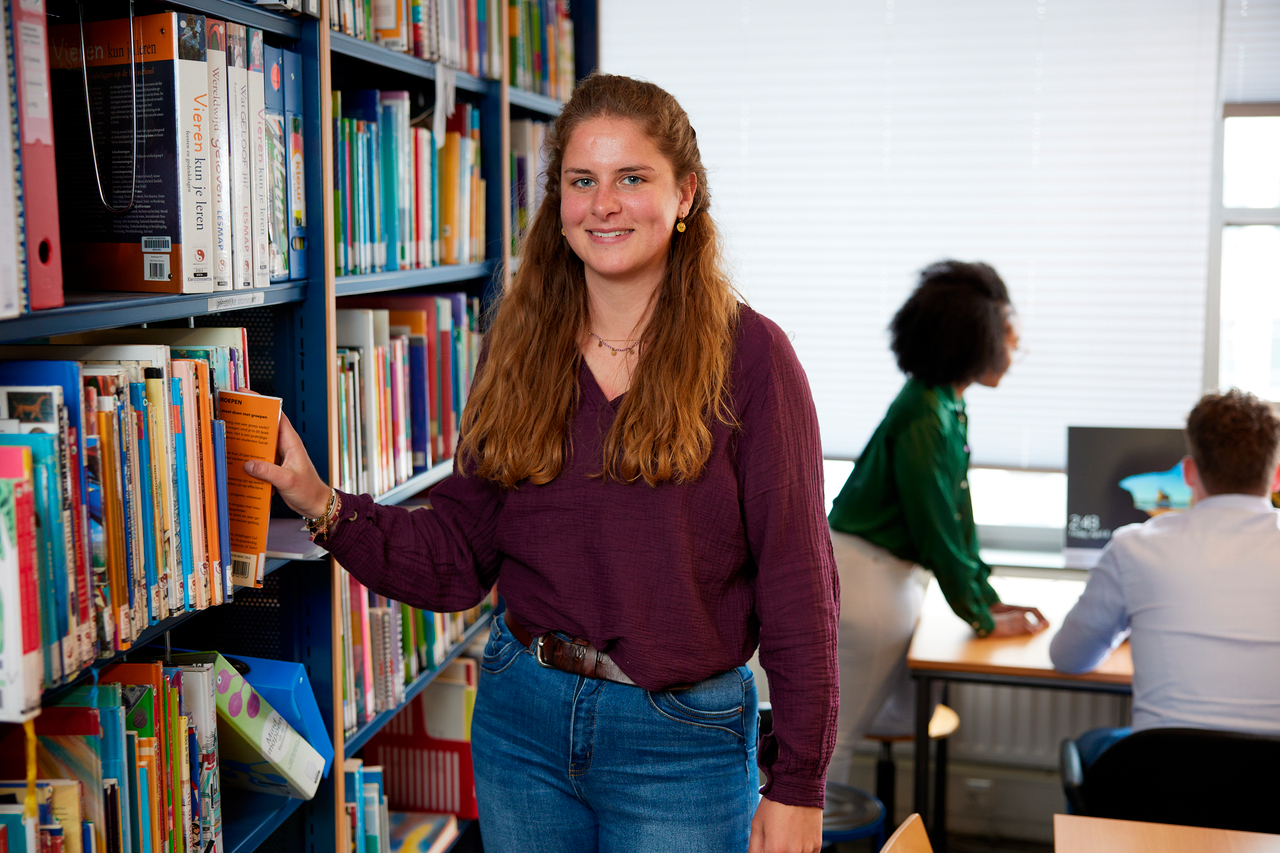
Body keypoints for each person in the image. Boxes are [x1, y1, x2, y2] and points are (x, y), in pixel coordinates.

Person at [248, 73, 839, 853]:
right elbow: (459, 559)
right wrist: (321, 501)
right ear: (557, 201)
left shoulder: (754, 358)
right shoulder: (520, 347)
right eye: (581, 181)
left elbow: (800, 585)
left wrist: (798, 781)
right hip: (521, 717)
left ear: (686, 194)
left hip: (680, 743)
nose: (604, 203)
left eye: (633, 178)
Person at [824, 261, 1047, 785]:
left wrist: (985, 596)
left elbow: (956, 521)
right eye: (1008, 333)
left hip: (887, 578)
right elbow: (936, 530)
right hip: (867, 583)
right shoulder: (925, 414)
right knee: (835, 741)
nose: (1015, 347)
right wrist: (980, 615)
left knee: (878, 722)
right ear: (974, 339)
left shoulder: (944, 406)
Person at [1050, 389, 1280, 767]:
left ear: (1189, 473)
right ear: (1277, 476)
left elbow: (1069, 658)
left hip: (1166, 783)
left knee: (1092, 748)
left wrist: (1131, 626)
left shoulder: (1134, 548)